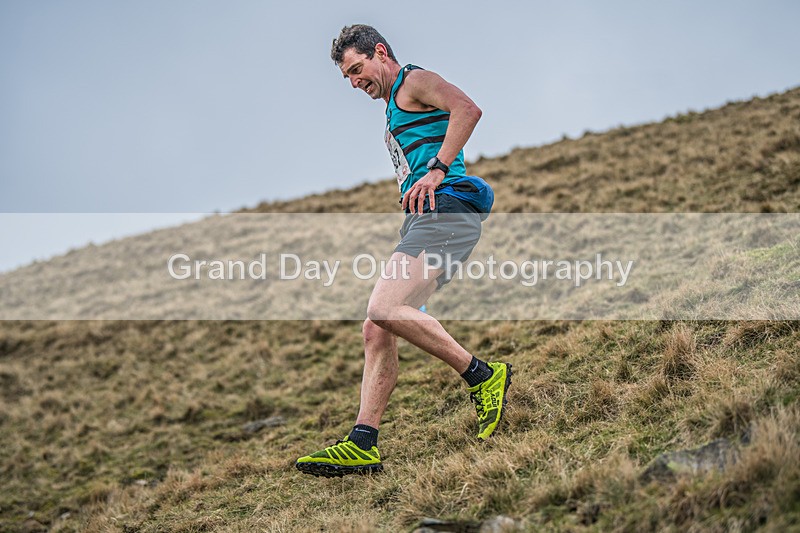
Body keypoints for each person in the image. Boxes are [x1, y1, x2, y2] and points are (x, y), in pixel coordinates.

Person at [296, 24, 512, 478]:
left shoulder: (412, 81)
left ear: (380, 52)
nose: (356, 82)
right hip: (427, 218)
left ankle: (483, 377)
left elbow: (468, 109)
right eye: (348, 78)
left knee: (383, 305)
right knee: (377, 327)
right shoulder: (395, 106)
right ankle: (363, 442)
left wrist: (436, 170)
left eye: (358, 70)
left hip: (446, 208)